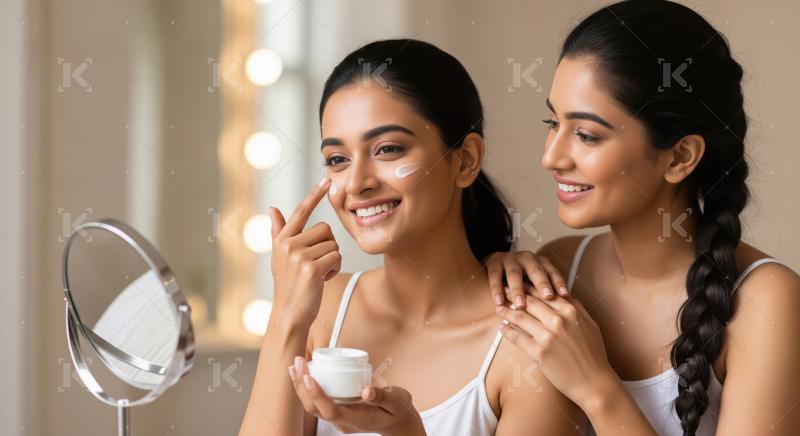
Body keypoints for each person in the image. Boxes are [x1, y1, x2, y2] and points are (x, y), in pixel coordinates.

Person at [238, 39, 584, 436]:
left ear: (466, 160)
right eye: (337, 159)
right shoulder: (321, 311)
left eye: (387, 149)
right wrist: (286, 317)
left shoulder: (529, 344)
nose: (357, 183)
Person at [485, 1, 800, 435]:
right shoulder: (556, 268)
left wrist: (597, 388)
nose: (551, 156)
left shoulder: (767, 301)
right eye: (551, 121)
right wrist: (490, 267)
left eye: (587, 135)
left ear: (680, 157)